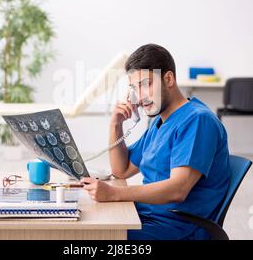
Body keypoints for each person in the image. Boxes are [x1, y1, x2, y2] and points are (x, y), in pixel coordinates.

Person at [80, 44, 231, 240]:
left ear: (168, 79)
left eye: (146, 84)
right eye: (134, 87)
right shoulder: (160, 122)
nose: (140, 97)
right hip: (147, 217)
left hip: (178, 229)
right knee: (84, 224)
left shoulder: (197, 120)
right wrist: (115, 125)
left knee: (89, 237)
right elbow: (122, 170)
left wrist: (114, 194)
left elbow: (178, 189)